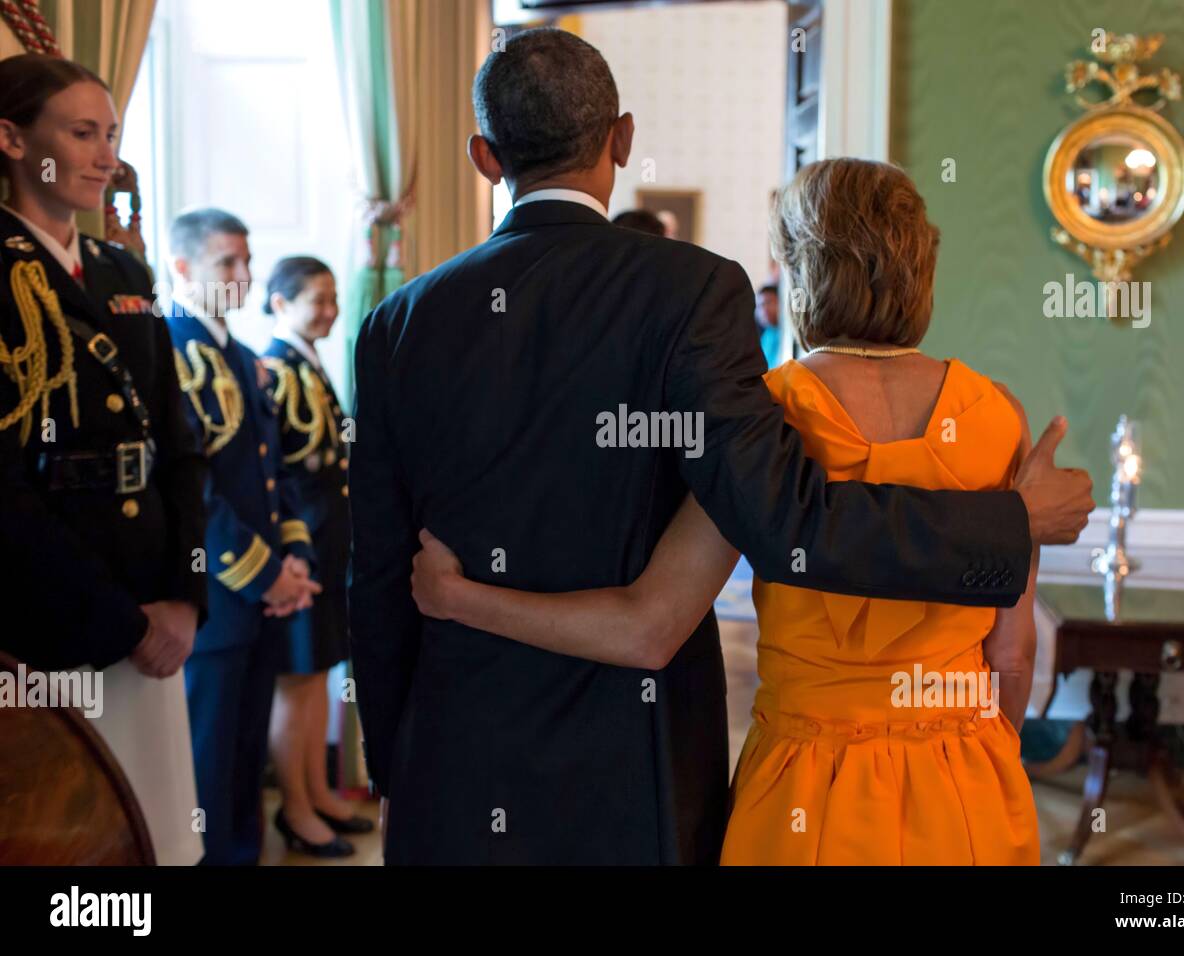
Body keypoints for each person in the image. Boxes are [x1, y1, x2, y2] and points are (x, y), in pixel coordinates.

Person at [349, 27, 1091, 865]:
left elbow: (376, 572)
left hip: (459, 747)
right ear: (621, 139)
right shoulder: (695, 289)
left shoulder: (394, 325)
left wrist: (391, 766)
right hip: (641, 755)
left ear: (485, 157)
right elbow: (791, 523)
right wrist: (1011, 522)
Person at [0, 53, 206, 865]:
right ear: (12, 139)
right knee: (69, 850)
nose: (106, 156)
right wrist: (118, 622)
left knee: (151, 837)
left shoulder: (124, 273)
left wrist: (186, 597)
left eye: (111, 135)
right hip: (52, 625)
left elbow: (179, 444)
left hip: (155, 611)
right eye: (82, 133)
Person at [165, 208, 322, 865]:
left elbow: (272, 470)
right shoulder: (169, 348)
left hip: (262, 596)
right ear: (181, 267)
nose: (243, 275)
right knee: (208, 763)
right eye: (226, 262)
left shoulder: (239, 355)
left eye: (246, 261)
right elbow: (191, 489)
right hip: (217, 595)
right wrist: (267, 574)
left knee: (244, 760)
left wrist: (297, 556)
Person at [261, 255, 369, 857]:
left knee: (319, 674)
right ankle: (295, 809)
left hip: (330, 541)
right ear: (280, 303)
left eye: (333, 299)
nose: (329, 311)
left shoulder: (307, 362)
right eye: (316, 300)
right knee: (296, 679)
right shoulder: (273, 370)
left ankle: (322, 792)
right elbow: (275, 475)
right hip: (299, 548)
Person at [754, 282, 781, 368]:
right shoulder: (766, 336)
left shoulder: (787, 334)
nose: (764, 309)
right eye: (760, 306)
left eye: (769, 302)